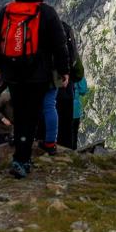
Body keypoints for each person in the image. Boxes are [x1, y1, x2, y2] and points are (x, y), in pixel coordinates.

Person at [0, 0, 67, 179]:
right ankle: (22, 160)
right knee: (30, 117)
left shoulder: (6, 12)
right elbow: (60, 45)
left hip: (13, 75)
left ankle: (20, 154)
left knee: (20, 111)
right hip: (37, 75)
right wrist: (64, 71)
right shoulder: (47, 13)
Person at [41, 16, 78, 154]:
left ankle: (46, 144)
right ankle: (66, 152)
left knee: (47, 110)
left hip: (46, 82)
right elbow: (77, 68)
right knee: (66, 124)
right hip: (66, 87)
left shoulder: (42, 32)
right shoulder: (67, 33)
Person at [59, 59, 88, 150]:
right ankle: (73, 154)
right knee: (73, 135)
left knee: (62, 134)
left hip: (61, 108)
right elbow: (83, 90)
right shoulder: (77, 71)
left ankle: (61, 153)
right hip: (75, 111)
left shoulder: (58, 68)